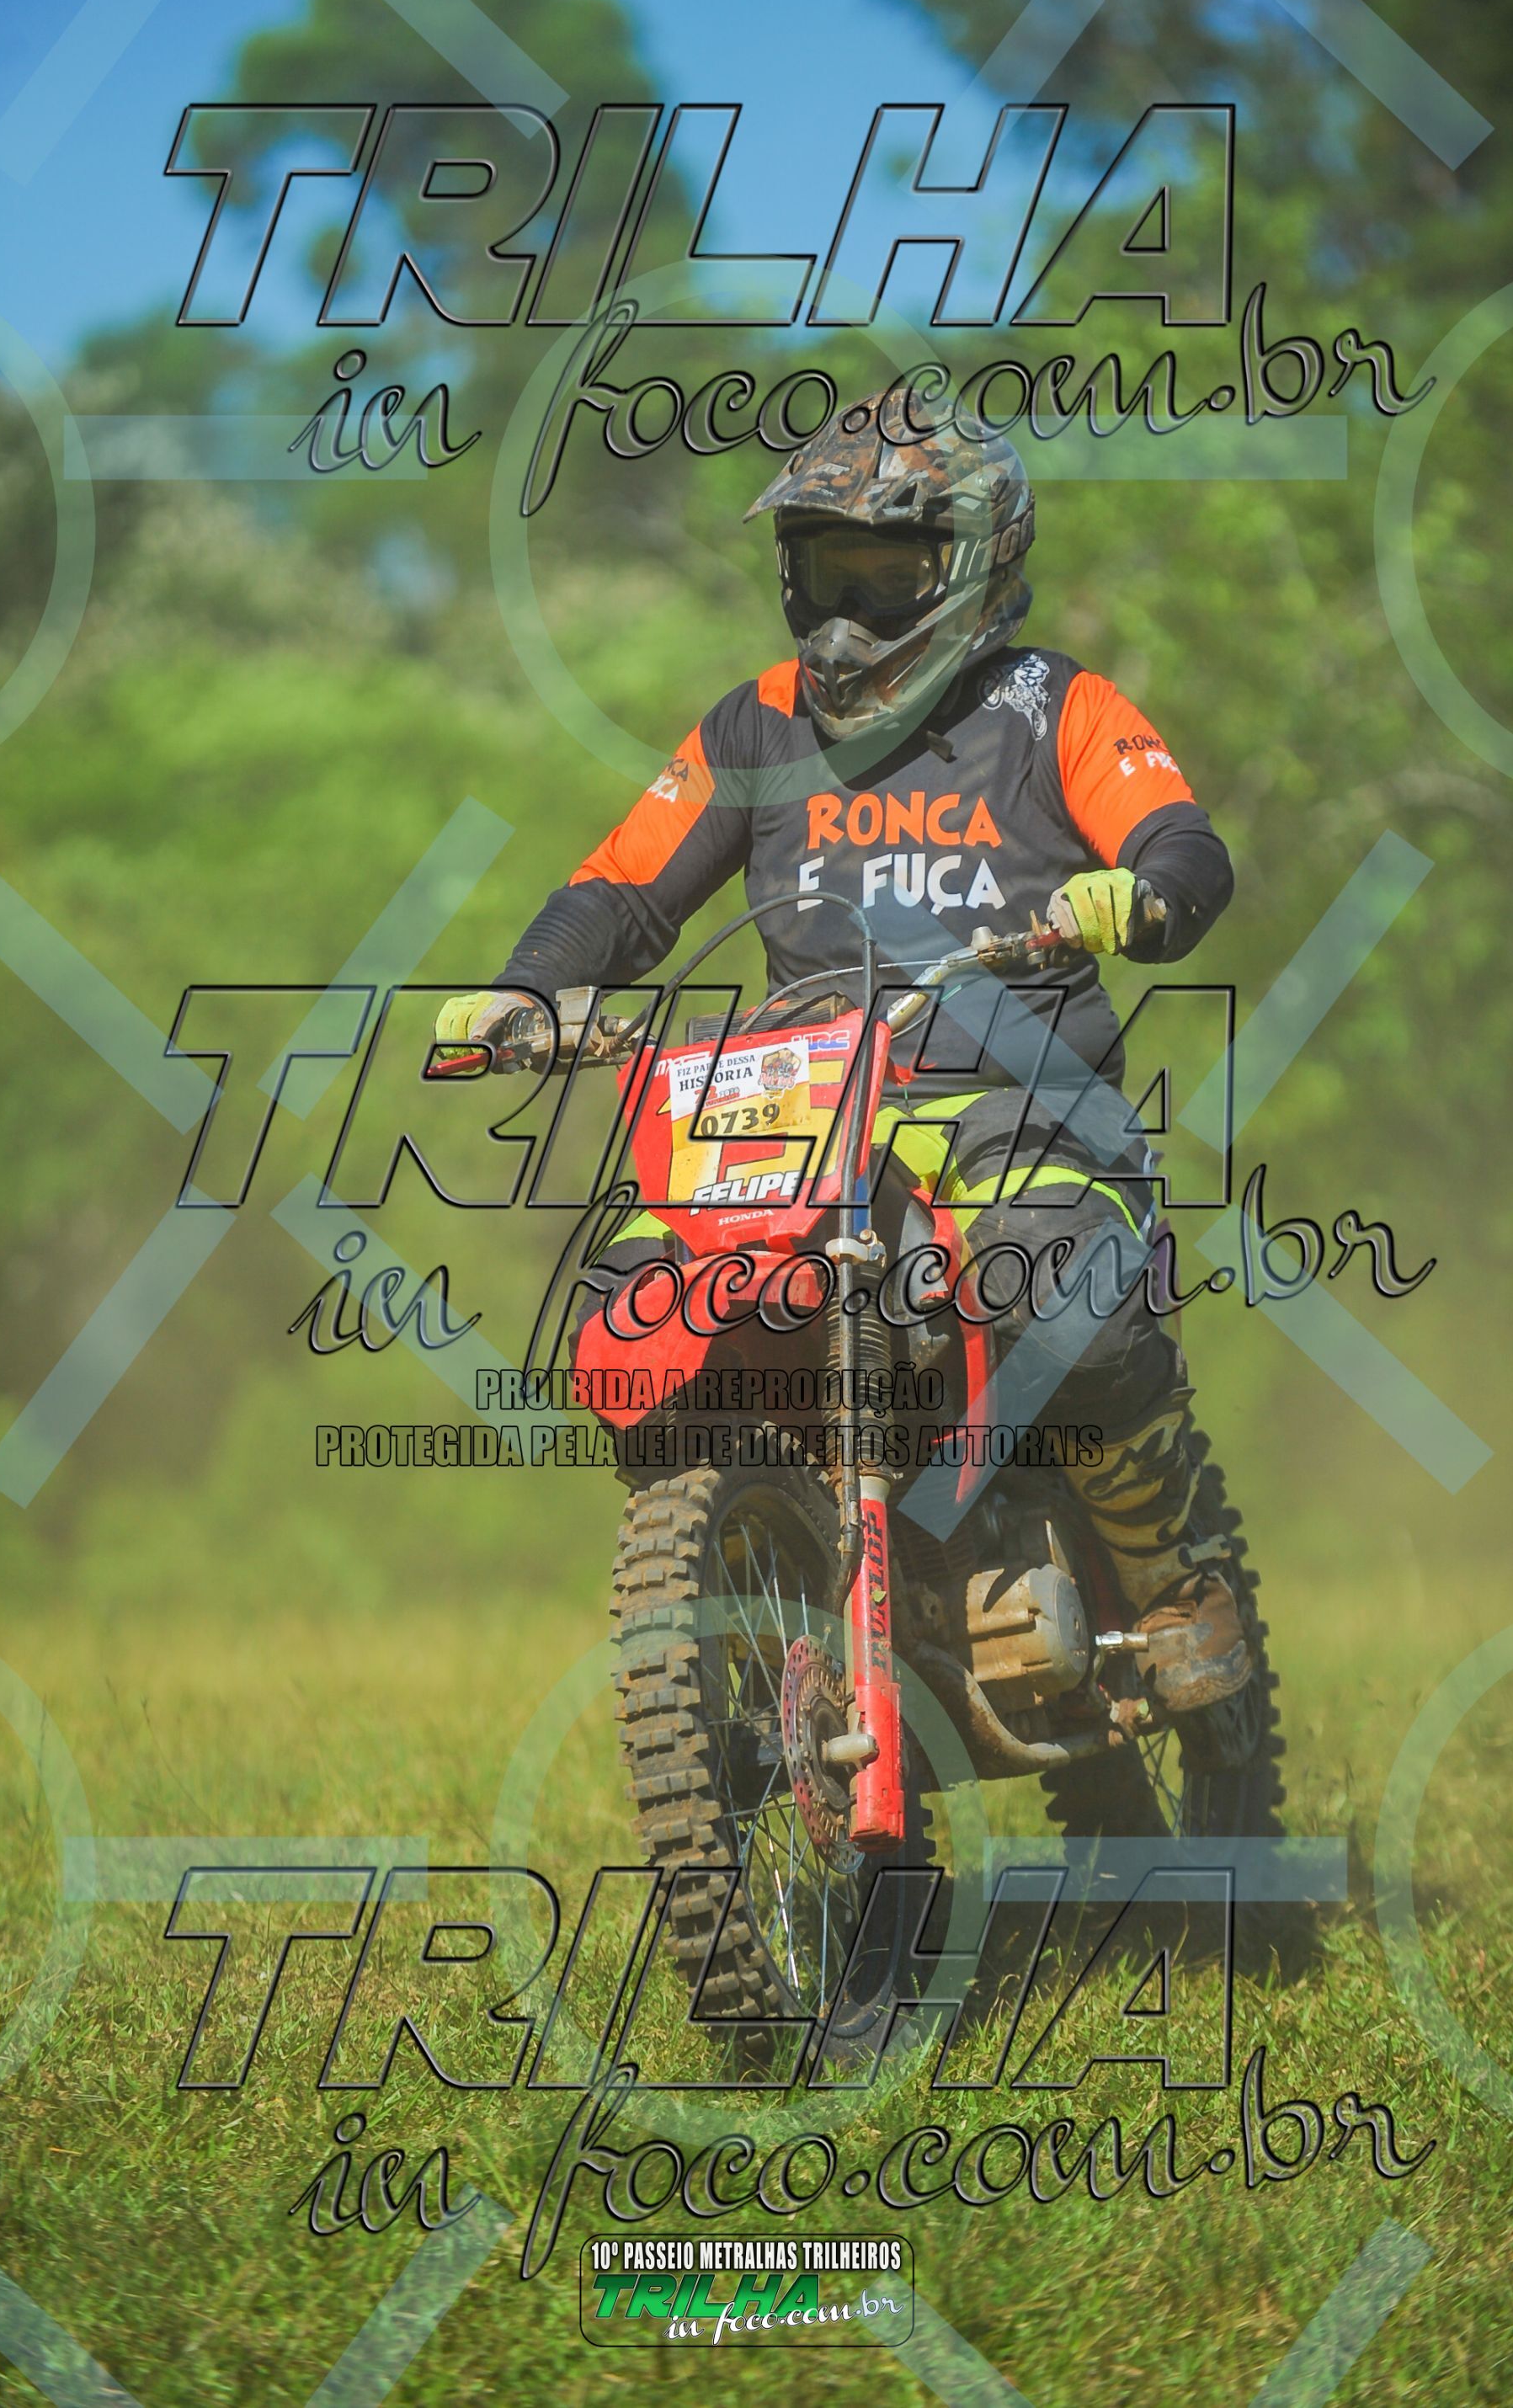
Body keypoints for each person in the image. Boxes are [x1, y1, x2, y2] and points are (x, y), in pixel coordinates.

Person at [438, 394, 1248, 1713]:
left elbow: (1183, 845)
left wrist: (1139, 894)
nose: (847, 618)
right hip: (804, 1111)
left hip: (1019, 1099)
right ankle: (754, 1591)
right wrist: (525, 991)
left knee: (1067, 1302)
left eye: (886, 573)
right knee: (629, 1313)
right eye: (825, 572)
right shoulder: (756, 726)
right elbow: (627, 890)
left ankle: (1170, 1580)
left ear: (976, 562)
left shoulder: (1055, 706)